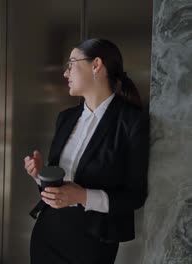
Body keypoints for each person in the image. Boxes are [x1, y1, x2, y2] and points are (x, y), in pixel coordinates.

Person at [24, 38, 149, 264]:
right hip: (48, 233)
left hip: (94, 241)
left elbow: (135, 196)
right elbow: (58, 187)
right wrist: (40, 175)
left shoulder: (131, 122)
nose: (65, 73)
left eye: (71, 64)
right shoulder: (66, 118)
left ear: (96, 65)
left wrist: (82, 196)